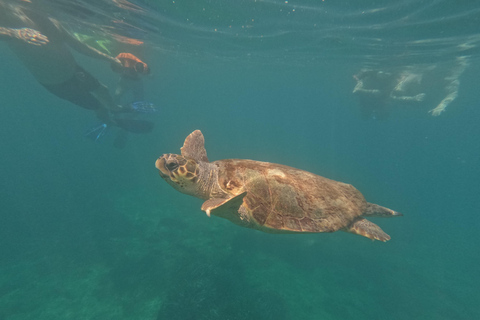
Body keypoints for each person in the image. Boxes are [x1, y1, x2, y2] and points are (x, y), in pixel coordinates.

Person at [0, 0, 153, 139]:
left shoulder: (52, 22)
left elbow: (80, 46)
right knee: (97, 105)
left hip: (75, 71)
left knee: (103, 89)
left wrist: (111, 59)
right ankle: (110, 121)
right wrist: (15, 33)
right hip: (57, 82)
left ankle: (116, 109)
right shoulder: (10, 16)